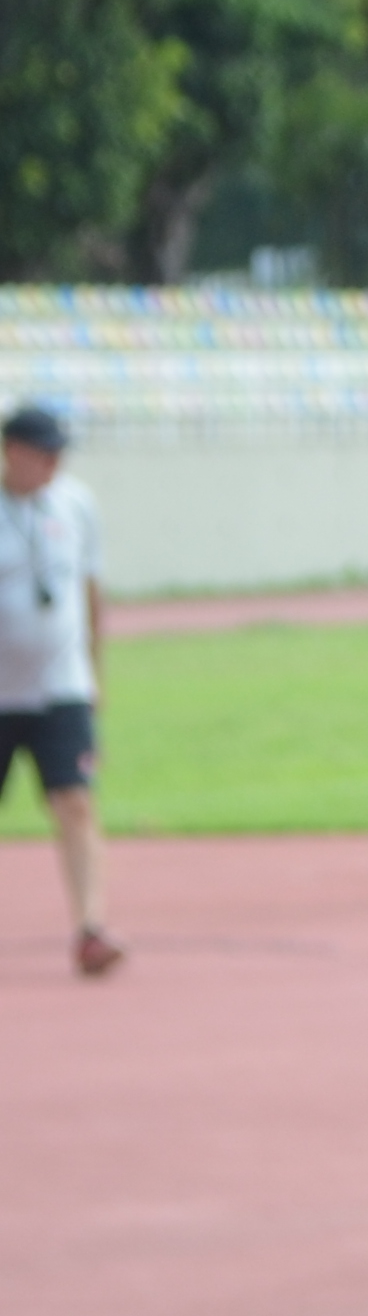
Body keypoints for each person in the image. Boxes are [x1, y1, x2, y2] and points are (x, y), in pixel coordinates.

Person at [1, 402, 122, 979]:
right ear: (11, 452)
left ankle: (91, 929)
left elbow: (90, 588)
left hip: (61, 685)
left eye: (58, 454)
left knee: (75, 802)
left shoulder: (76, 504)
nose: (52, 464)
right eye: (41, 453)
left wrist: (94, 670)